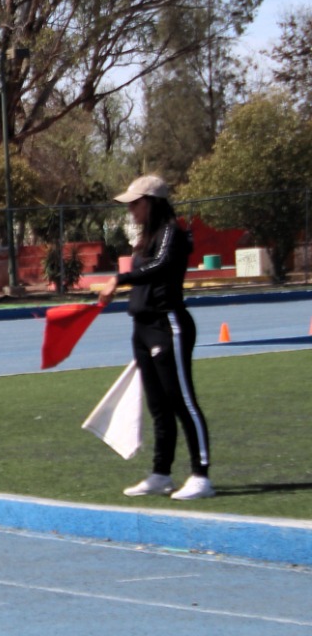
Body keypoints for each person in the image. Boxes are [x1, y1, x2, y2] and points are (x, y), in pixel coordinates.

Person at [95, 174, 214, 500]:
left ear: (153, 203)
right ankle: (161, 473)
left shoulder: (172, 234)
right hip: (143, 328)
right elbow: (146, 273)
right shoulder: (146, 238)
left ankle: (201, 475)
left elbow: (160, 268)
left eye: (136, 203)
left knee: (183, 402)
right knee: (158, 406)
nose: (131, 210)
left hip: (169, 325)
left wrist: (119, 279)